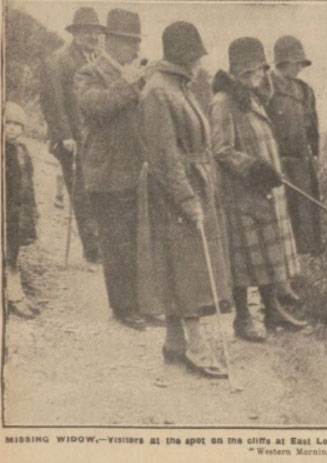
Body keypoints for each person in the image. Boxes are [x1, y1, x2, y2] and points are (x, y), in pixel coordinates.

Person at [139, 21, 233, 378]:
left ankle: (175, 341)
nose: (199, 62)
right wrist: (187, 198)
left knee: (182, 263)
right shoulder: (158, 92)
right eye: (195, 55)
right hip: (172, 190)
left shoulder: (179, 86)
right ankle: (196, 346)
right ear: (183, 56)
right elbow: (164, 157)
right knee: (186, 266)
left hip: (191, 181)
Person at [209, 37, 307, 341]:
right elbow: (221, 150)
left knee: (266, 252)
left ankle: (273, 311)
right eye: (256, 69)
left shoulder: (250, 96)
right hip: (240, 193)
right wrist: (253, 167)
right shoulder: (224, 103)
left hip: (261, 190)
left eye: (263, 69)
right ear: (240, 70)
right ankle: (243, 319)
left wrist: (266, 171)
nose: (262, 75)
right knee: (243, 259)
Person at [74, 8, 150, 331]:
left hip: (134, 171)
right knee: (116, 243)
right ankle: (123, 308)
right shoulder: (88, 73)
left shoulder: (136, 75)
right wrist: (127, 83)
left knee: (135, 240)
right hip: (104, 174)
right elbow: (95, 107)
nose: (134, 49)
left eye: (135, 42)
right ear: (110, 41)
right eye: (128, 42)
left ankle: (137, 302)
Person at [39, 7, 102, 263]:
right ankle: (93, 250)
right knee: (82, 193)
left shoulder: (97, 59)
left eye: (96, 32)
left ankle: (98, 245)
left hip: (94, 139)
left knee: (96, 190)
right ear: (76, 33)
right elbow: (52, 102)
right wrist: (65, 135)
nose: (93, 37)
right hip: (72, 140)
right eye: (88, 32)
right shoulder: (59, 59)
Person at [264, 35, 323, 305]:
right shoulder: (267, 88)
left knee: (303, 223)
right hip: (279, 166)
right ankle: (279, 282)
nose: (299, 67)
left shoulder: (304, 90)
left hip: (302, 165)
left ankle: (295, 277)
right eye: (295, 62)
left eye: (301, 63)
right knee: (281, 223)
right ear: (282, 61)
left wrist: (315, 155)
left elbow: (312, 129)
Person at [4, 102, 39, 319]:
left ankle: (17, 293)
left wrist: (32, 210)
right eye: (8, 123)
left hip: (20, 211)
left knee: (15, 254)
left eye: (17, 124)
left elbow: (29, 182)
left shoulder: (23, 150)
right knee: (7, 255)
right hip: (6, 212)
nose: (12, 128)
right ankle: (13, 296)